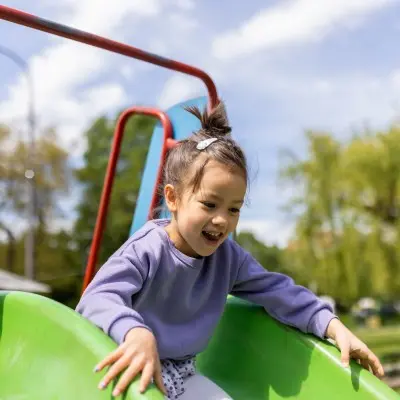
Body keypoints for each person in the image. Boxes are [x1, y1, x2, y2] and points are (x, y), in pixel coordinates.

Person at [76, 102, 384, 399]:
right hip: (128, 362)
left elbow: (279, 291)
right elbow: (97, 298)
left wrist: (332, 326)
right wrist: (135, 333)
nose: (222, 219)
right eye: (209, 204)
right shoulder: (148, 249)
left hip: (182, 374)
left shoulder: (229, 259)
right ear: (173, 198)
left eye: (234, 209)